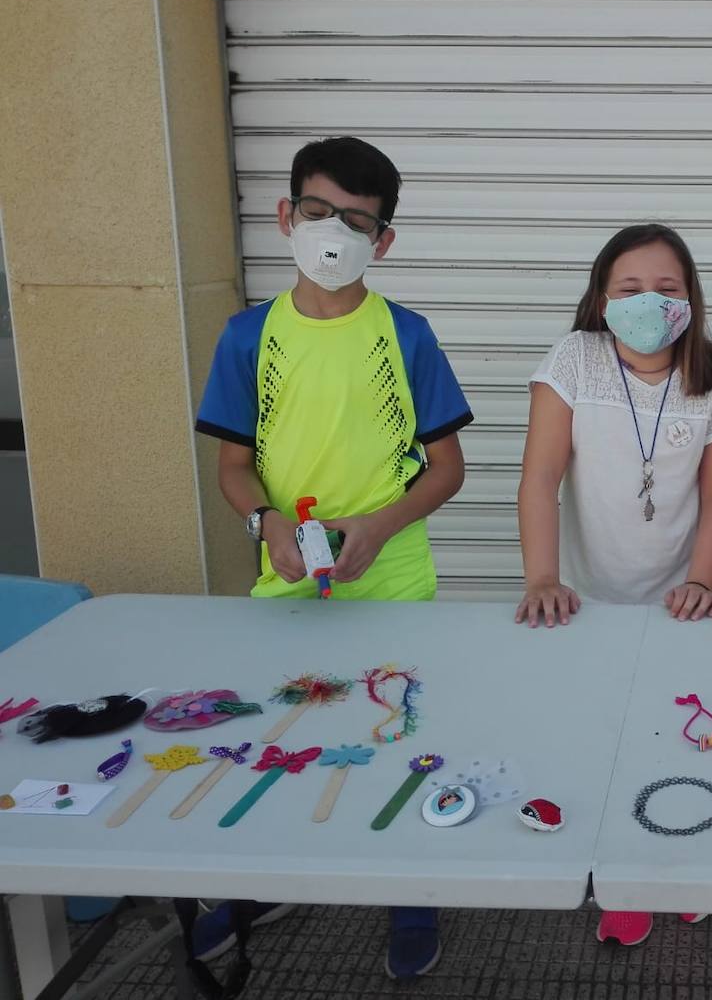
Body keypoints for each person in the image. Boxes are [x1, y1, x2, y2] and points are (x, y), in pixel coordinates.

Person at [194, 136, 472, 979]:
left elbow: (449, 466)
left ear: (382, 240)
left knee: (399, 736)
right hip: (283, 582)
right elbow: (233, 466)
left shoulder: (408, 335)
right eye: (317, 211)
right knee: (279, 732)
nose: (333, 231)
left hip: (393, 582)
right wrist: (267, 524)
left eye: (357, 220)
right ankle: (260, 881)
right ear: (285, 215)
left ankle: (410, 897)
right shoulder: (248, 338)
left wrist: (383, 525)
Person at [515, 224, 712, 944]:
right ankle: (615, 873)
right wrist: (543, 576)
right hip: (586, 601)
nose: (649, 301)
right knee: (601, 739)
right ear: (601, 297)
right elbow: (540, 478)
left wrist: (704, 581)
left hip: (685, 603)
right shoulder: (574, 362)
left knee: (681, 739)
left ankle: (678, 860)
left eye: (667, 288)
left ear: (691, 299)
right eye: (629, 288)